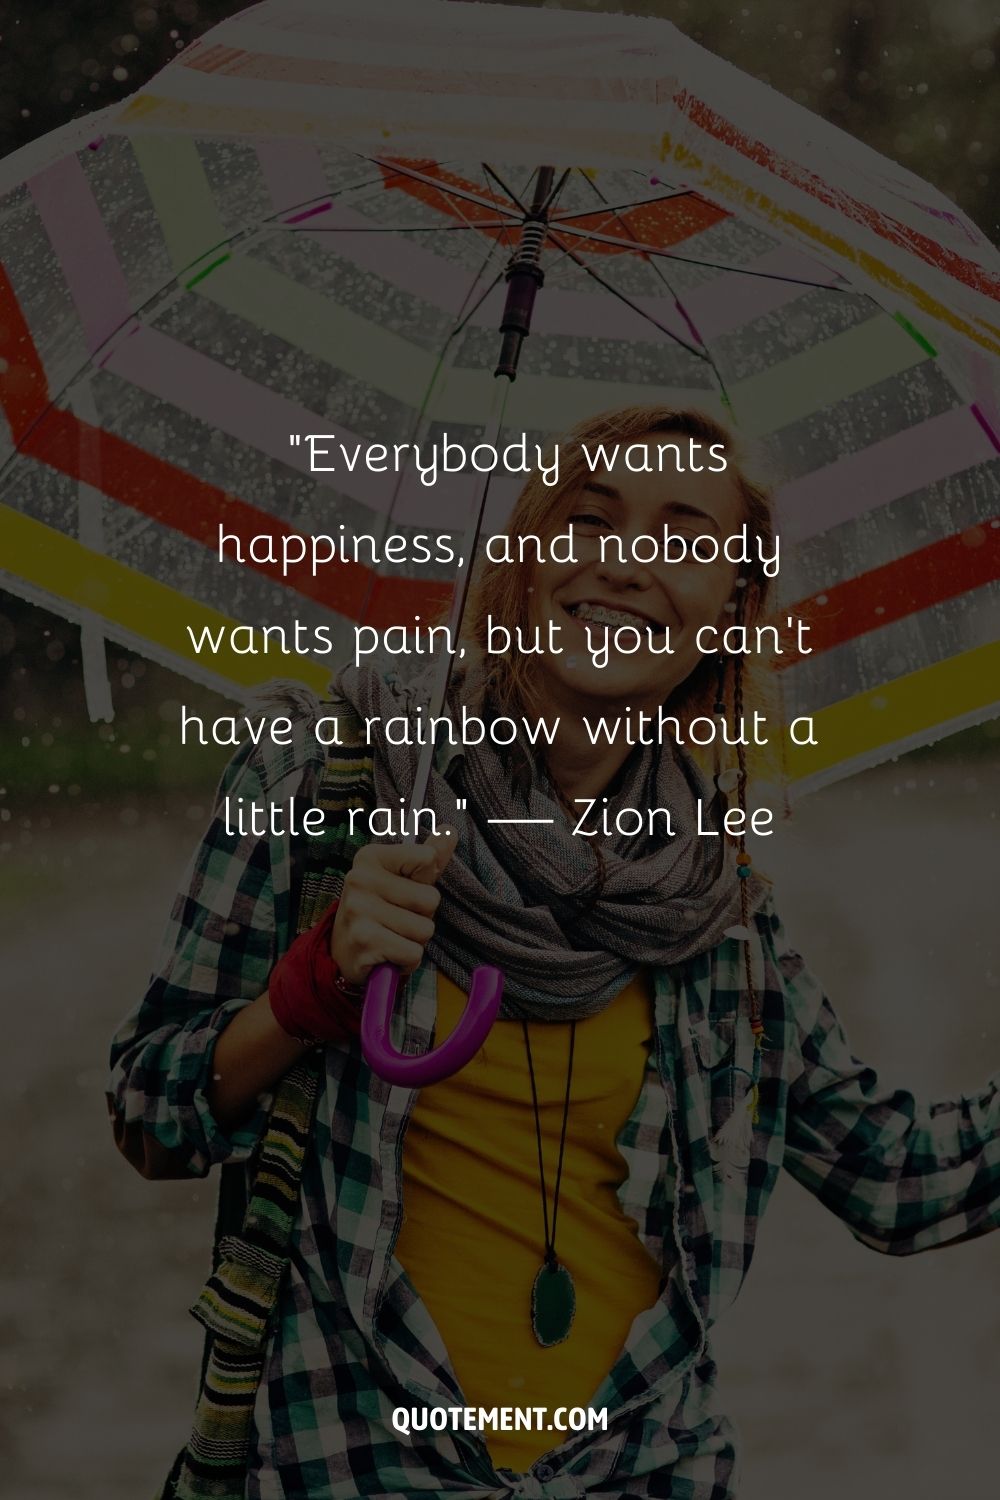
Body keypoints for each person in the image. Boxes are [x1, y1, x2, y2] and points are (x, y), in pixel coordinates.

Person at [109, 406, 999, 1500]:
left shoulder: (717, 909)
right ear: (522, 558)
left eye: (681, 537)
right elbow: (150, 1114)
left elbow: (894, 1180)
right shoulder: (327, 787)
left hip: (640, 1467)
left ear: (732, 606)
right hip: (358, 1459)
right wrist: (308, 992)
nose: (625, 564)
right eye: (588, 520)